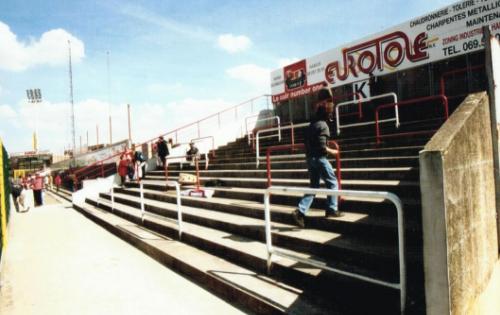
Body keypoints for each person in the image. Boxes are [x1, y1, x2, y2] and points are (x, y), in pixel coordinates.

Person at [292, 88, 343, 229]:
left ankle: (300, 212)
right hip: (319, 159)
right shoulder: (324, 126)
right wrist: (334, 151)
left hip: (310, 159)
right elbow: (322, 147)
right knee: (333, 182)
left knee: (313, 186)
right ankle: (332, 209)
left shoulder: (311, 125)